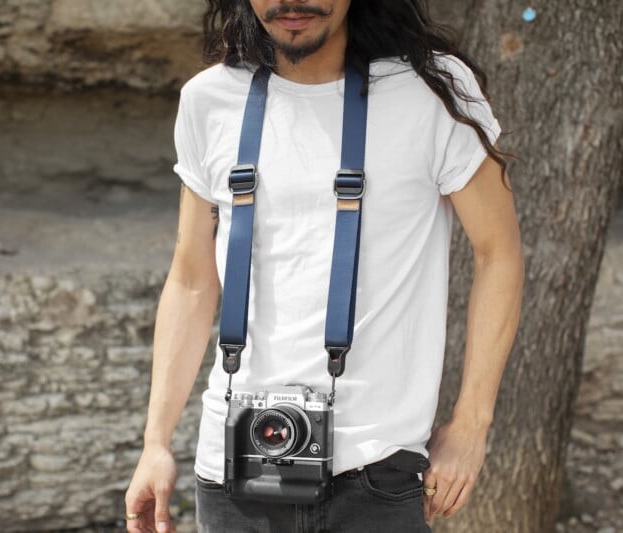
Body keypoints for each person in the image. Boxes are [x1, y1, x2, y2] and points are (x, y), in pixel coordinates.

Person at [125, 0, 524, 531]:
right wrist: (156, 442)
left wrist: (471, 424)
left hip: (376, 472)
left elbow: (499, 254)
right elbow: (192, 279)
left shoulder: (433, 90)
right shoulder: (208, 99)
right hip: (232, 472)